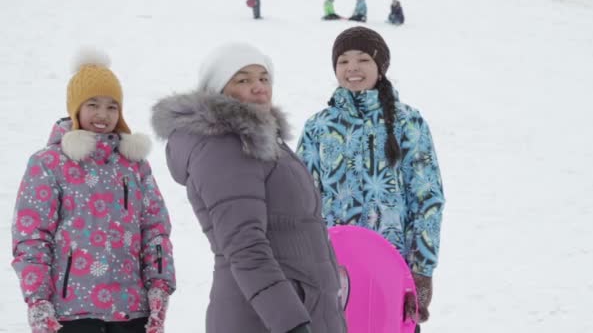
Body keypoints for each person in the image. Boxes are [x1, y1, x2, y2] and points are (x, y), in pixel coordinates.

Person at [150, 42, 347, 333]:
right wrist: (291, 323)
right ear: (219, 89)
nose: (259, 87)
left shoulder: (262, 142)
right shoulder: (224, 147)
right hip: (264, 318)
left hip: (298, 308)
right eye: (243, 80)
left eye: (263, 78)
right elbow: (244, 244)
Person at [11, 50, 176, 333]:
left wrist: (159, 287)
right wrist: (38, 301)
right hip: (71, 313)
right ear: (76, 108)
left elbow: (155, 230)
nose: (103, 114)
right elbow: (32, 237)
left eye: (112, 107)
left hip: (132, 311)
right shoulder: (49, 163)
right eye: (93, 105)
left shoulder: (134, 165)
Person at [297, 26, 445, 330]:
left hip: (391, 265)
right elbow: (301, 200)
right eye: (343, 61)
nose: (352, 68)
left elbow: (427, 199)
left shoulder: (408, 121)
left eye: (363, 59)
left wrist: (421, 270)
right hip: (332, 266)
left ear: (381, 66)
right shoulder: (318, 126)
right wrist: (301, 264)